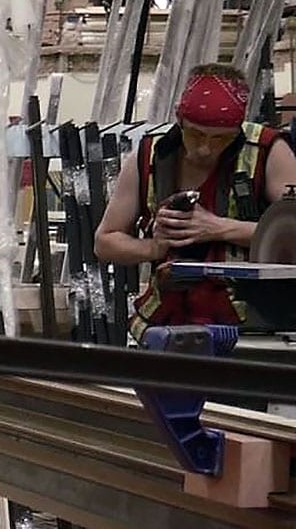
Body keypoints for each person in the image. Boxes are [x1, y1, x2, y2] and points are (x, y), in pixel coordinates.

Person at [95, 64, 296, 344]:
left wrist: (220, 228)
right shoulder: (149, 157)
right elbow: (104, 242)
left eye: (220, 138)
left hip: (251, 327)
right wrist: (153, 247)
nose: (206, 148)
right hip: (165, 323)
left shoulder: (267, 152)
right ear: (179, 118)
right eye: (196, 134)